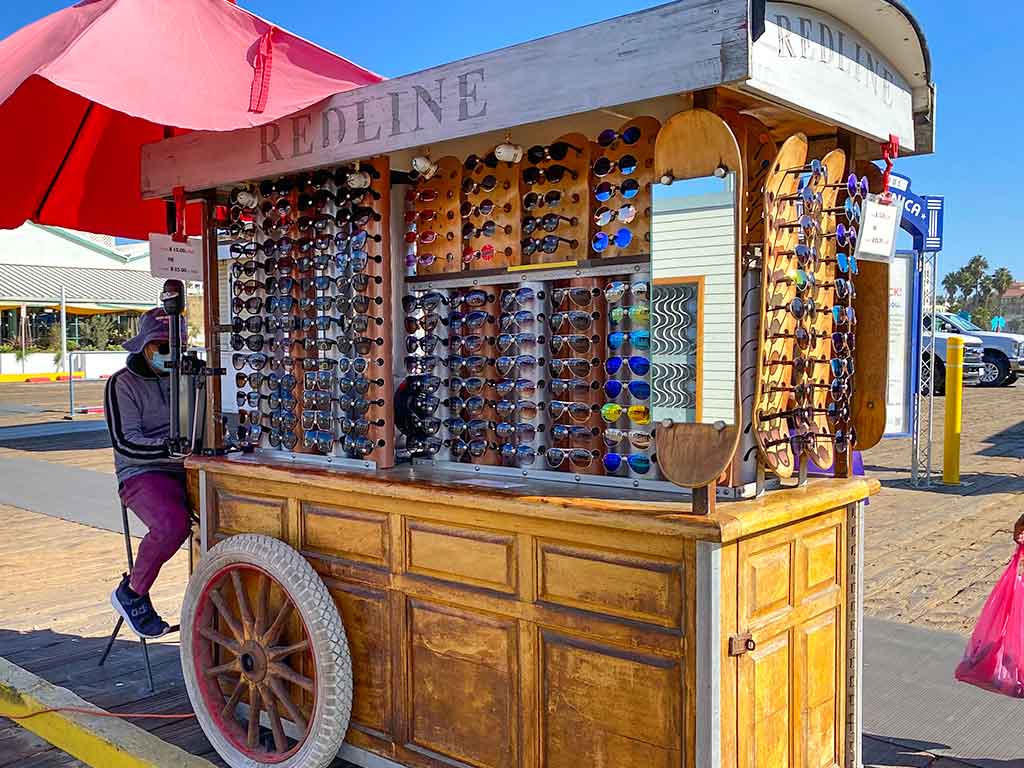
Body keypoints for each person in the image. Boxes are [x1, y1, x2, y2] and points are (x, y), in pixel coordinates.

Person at [104, 308, 190, 638]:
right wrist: (174, 448)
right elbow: (126, 442)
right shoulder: (121, 384)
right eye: (162, 346)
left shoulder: (186, 378)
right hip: (142, 471)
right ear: (145, 346)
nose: (170, 353)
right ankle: (133, 592)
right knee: (172, 525)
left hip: (187, 465)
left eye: (176, 346)